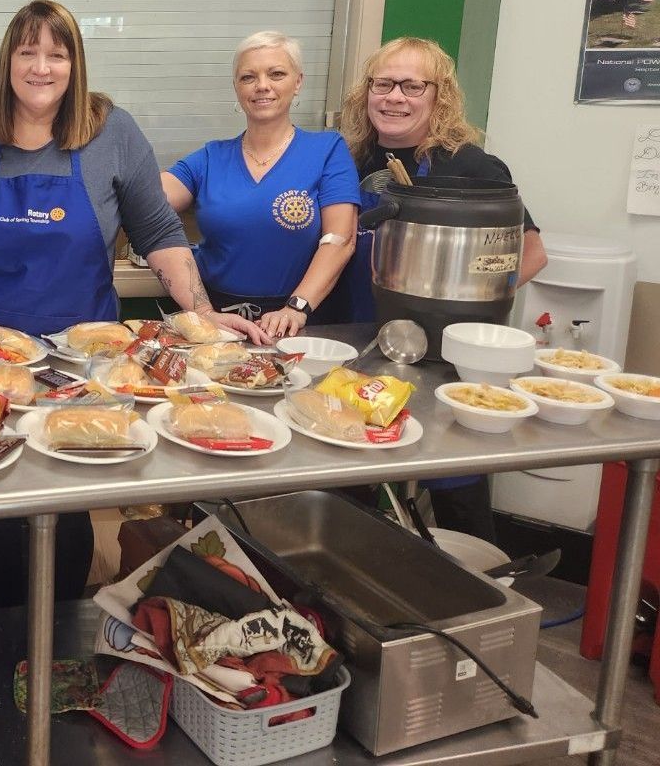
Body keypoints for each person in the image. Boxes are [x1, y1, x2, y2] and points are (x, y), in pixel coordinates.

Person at [0, 0, 264, 606]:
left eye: (57, 53)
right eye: (28, 52)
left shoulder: (111, 132)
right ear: (8, 61)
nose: (41, 67)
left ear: (75, 63)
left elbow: (158, 233)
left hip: (81, 367)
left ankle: (56, 628)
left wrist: (201, 315)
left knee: (64, 501)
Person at [338, 36, 548, 541]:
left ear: (440, 96)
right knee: (351, 483)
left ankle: (487, 594)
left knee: (453, 479)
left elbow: (533, 253)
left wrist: (460, 303)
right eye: (383, 83)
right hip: (358, 346)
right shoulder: (345, 158)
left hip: (439, 356)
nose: (394, 97)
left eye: (412, 85)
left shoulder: (471, 166)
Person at [161, 31, 360, 339]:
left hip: (296, 322)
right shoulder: (211, 157)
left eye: (276, 74)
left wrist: (296, 308)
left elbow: (340, 239)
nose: (262, 86)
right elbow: (149, 199)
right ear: (237, 88)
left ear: (298, 83)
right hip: (218, 322)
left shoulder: (327, 150)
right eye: (248, 77)